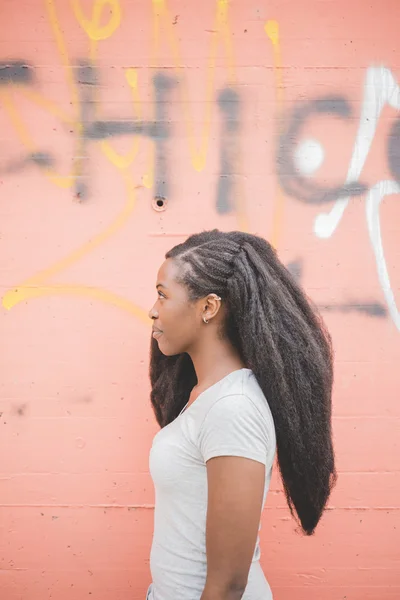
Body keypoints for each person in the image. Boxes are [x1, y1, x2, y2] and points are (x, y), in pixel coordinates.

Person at [147, 229, 336, 600]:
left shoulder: (233, 407)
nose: (153, 309)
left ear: (208, 307)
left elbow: (229, 585)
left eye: (163, 295)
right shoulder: (206, 397)